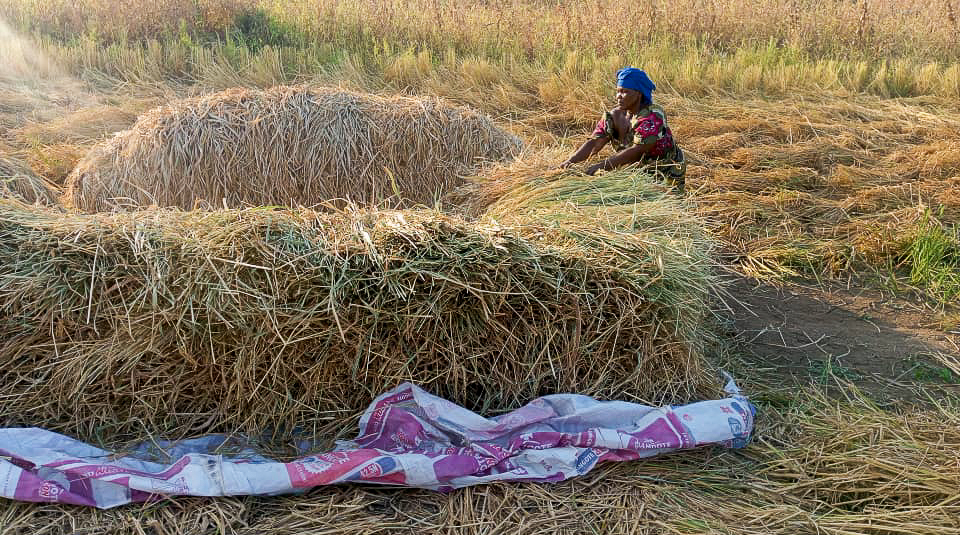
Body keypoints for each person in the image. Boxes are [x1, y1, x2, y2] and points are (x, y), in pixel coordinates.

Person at [560, 67, 686, 193]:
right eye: (618, 91)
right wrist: (569, 162)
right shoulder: (614, 116)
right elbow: (595, 142)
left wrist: (602, 165)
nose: (618, 96)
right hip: (635, 168)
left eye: (624, 92)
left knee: (667, 204)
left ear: (639, 93)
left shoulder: (653, 116)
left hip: (665, 169)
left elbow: (637, 150)